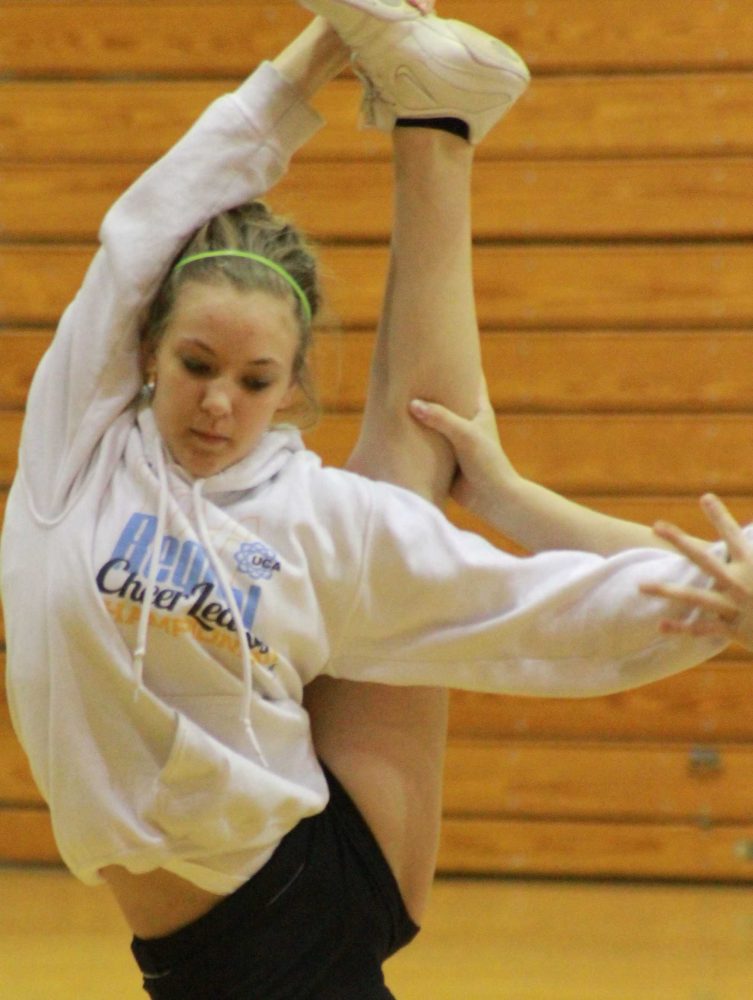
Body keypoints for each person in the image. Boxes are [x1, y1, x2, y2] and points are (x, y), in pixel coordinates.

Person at [1, 3, 744, 999]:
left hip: (317, 887)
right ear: (144, 351)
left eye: (257, 380)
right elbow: (145, 229)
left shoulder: (314, 516)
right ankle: (435, 113)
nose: (221, 401)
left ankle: (438, 117)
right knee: (412, 454)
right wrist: (323, 46)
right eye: (195, 365)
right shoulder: (76, 452)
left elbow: (525, 612)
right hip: (212, 951)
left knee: (416, 451)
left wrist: (723, 604)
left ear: (292, 386)